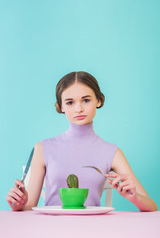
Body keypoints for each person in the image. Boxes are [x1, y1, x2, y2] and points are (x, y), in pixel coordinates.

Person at [6, 71, 158, 211]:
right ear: (61, 107)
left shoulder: (112, 152)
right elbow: (29, 207)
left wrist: (134, 197)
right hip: (50, 230)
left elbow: (152, 207)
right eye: (70, 102)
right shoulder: (42, 148)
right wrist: (19, 205)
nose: (78, 109)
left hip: (94, 230)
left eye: (85, 100)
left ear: (98, 101)